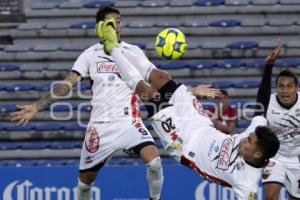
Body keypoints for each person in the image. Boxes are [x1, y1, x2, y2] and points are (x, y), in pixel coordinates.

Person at [96, 18, 280, 200]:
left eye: (249, 140)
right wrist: (269, 66)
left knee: (148, 92)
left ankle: (112, 46)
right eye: (249, 136)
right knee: (160, 77)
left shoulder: (247, 185)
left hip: (184, 144)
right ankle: (116, 46)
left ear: (257, 153)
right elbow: (261, 106)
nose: (245, 137)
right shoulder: (257, 135)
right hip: (200, 123)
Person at [10, 6, 164, 200]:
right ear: (100, 27)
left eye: (118, 21)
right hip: (100, 128)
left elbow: (157, 79)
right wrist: (36, 107)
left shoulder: (133, 51)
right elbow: (66, 85)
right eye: (111, 22)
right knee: (85, 183)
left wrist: (185, 93)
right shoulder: (89, 55)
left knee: (155, 162)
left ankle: (155, 199)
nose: (116, 26)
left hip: (129, 122)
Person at [259, 42, 300, 200]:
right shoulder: (268, 103)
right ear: (276, 88)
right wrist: (269, 64)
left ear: (296, 88)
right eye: (281, 86)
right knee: (270, 195)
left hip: (297, 158)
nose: (285, 90)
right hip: (275, 156)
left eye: (289, 86)